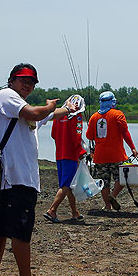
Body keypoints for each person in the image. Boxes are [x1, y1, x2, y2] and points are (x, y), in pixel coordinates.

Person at [0, 63, 79, 276]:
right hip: (16, 178)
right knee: (20, 232)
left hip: (15, 179)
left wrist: (67, 109)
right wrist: (49, 106)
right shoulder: (7, 97)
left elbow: (43, 116)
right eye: (22, 80)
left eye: (32, 82)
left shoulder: (20, 107)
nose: (27, 84)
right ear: (11, 80)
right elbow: (37, 113)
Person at [85, 90, 138, 211]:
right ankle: (113, 196)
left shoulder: (94, 117)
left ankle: (108, 207)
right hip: (117, 155)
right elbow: (125, 132)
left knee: (104, 182)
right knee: (123, 178)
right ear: (112, 102)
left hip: (100, 156)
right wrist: (133, 148)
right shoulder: (118, 114)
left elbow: (89, 136)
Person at [43, 95, 87, 224]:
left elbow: (53, 134)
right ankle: (52, 210)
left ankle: (75, 212)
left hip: (60, 154)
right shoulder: (77, 117)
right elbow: (76, 137)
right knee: (66, 184)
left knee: (69, 184)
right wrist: (81, 152)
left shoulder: (59, 116)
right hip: (71, 155)